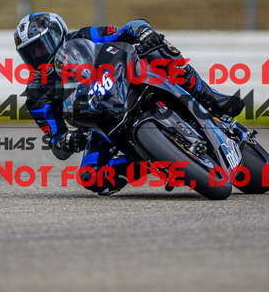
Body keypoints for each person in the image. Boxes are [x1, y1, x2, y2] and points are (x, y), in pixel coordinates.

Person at [14, 12, 243, 195]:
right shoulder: (37, 93)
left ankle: (211, 98)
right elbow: (56, 142)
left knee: (158, 50)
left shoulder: (84, 36)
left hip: (129, 81)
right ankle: (154, 161)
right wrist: (66, 141)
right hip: (101, 122)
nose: (39, 55)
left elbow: (127, 28)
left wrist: (142, 32)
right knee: (91, 177)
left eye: (41, 46)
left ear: (58, 33)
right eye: (31, 53)